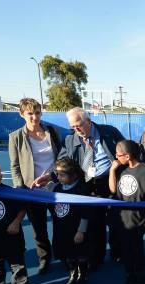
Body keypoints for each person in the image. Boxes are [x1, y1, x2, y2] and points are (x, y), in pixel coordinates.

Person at [59, 107, 125, 266]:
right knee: (94, 223)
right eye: (72, 127)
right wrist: (51, 176)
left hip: (109, 180)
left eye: (78, 125)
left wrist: (120, 166)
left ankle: (118, 252)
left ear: (88, 121)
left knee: (116, 220)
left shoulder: (109, 132)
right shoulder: (70, 140)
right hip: (86, 185)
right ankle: (97, 257)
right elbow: (62, 163)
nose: (76, 130)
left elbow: (125, 150)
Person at [8, 97, 62, 274]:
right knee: (38, 229)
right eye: (30, 113)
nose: (34, 117)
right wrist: (20, 188)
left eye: (37, 113)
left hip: (55, 187)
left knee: (61, 222)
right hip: (32, 192)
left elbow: (61, 157)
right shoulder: (15, 137)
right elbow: (15, 166)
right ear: (22, 114)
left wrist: (54, 176)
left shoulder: (52, 131)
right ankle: (44, 258)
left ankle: (63, 254)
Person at [109, 140, 145, 284]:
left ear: (127, 156)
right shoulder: (120, 169)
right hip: (122, 217)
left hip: (137, 217)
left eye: (118, 154)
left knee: (138, 248)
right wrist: (112, 170)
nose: (115, 157)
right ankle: (129, 275)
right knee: (126, 249)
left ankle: (140, 275)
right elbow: (113, 190)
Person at [49, 157, 93, 284]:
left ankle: (82, 275)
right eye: (57, 174)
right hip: (63, 229)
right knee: (68, 253)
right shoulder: (57, 188)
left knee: (80, 253)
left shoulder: (81, 189)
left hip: (77, 229)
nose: (59, 177)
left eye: (62, 174)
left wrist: (81, 231)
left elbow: (86, 212)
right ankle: (72, 274)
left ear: (73, 175)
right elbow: (53, 208)